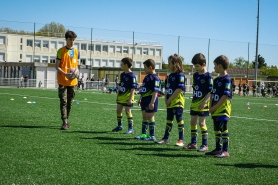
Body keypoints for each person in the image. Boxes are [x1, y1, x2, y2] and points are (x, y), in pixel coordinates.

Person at [183, 53, 212, 152]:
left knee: (202, 123)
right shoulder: (195, 75)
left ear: (203, 64)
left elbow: (210, 92)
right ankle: (193, 143)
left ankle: (205, 144)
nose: (195, 68)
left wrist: (204, 102)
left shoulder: (208, 76)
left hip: (203, 104)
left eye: (197, 66)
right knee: (193, 122)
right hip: (194, 102)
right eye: (195, 66)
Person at [155, 54, 185, 146]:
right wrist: (166, 98)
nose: (168, 65)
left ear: (175, 64)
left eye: (169, 63)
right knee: (169, 120)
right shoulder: (171, 76)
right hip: (170, 102)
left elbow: (179, 89)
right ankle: (165, 138)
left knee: (179, 119)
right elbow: (168, 89)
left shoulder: (180, 75)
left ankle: (181, 139)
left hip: (177, 102)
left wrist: (170, 99)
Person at [205, 55, 232, 158]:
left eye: (215, 65)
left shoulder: (227, 79)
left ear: (220, 66)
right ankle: (218, 149)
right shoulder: (216, 80)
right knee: (216, 128)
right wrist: (210, 106)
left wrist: (214, 107)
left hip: (223, 108)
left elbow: (225, 95)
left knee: (223, 128)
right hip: (215, 108)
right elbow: (212, 94)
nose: (214, 68)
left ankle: (225, 151)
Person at [55, 30, 80, 130]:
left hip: (73, 82)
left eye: (73, 40)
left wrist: (77, 74)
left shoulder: (77, 52)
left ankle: (66, 119)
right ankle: (64, 122)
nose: (72, 42)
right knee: (63, 101)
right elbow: (57, 66)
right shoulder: (61, 51)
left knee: (70, 102)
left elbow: (76, 67)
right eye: (70, 39)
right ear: (66, 39)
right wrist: (65, 74)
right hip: (63, 81)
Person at [135, 59, 160, 141]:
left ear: (150, 67)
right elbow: (143, 89)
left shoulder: (155, 78)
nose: (144, 69)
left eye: (145, 67)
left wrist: (152, 102)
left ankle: (152, 136)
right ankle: (143, 134)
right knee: (144, 116)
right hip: (144, 99)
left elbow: (155, 91)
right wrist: (140, 99)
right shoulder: (146, 77)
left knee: (150, 117)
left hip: (151, 99)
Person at [112, 57, 137, 134]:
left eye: (121, 64)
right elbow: (120, 86)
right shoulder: (122, 74)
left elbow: (133, 88)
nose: (120, 65)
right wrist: (117, 96)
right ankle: (120, 125)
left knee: (128, 111)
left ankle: (130, 128)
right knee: (118, 110)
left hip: (128, 96)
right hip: (121, 96)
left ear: (126, 65)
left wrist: (130, 99)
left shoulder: (132, 75)